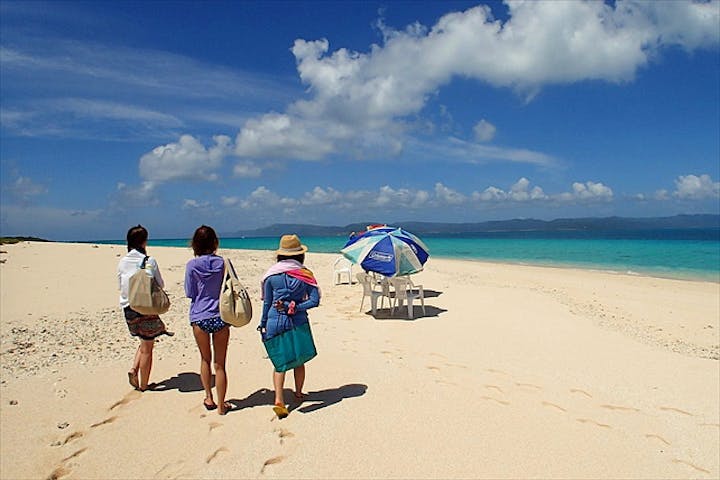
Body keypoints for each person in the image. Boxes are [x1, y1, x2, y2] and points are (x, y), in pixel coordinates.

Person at [259, 234, 320, 418]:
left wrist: (262, 323)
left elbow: (267, 302)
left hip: (274, 320)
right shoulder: (305, 275)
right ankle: (299, 392)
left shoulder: (271, 276)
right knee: (298, 359)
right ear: (300, 255)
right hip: (298, 321)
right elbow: (315, 301)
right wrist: (295, 307)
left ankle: (279, 399)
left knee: (280, 362)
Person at [117, 225, 173, 391]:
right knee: (148, 346)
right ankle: (144, 385)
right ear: (144, 241)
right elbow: (160, 283)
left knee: (143, 341)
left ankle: (134, 369)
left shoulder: (122, 261)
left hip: (128, 307)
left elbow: (121, 285)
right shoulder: (149, 261)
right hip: (146, 307)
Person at [184, 225, 233, 415]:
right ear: (215, 243)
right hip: (221, 315)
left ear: (195, 244)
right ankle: (222, 405)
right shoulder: (223, 263)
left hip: (199, 315)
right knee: (220, 364)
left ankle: (209, 397)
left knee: (205, 359)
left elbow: (189, 292)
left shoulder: (192, 265)